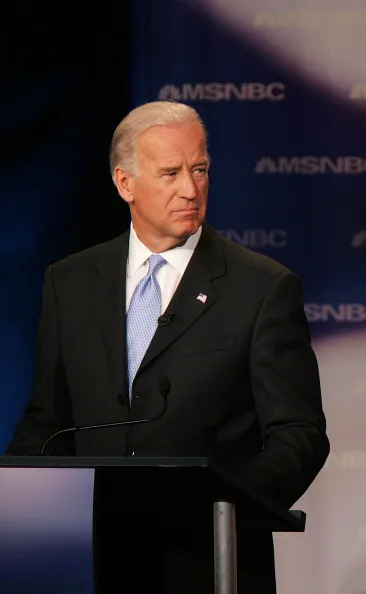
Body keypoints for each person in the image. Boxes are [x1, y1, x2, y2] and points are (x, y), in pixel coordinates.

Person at [5, 100, 329, 593]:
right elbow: (46, 421)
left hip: (211, 560)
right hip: (90, 559)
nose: (191, 188)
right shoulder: (68, 282)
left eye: (200, 169)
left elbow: (299, 433)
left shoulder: (261, 287)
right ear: (124, 184)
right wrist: (21, 506)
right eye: (171, 173)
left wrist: (235, 507)